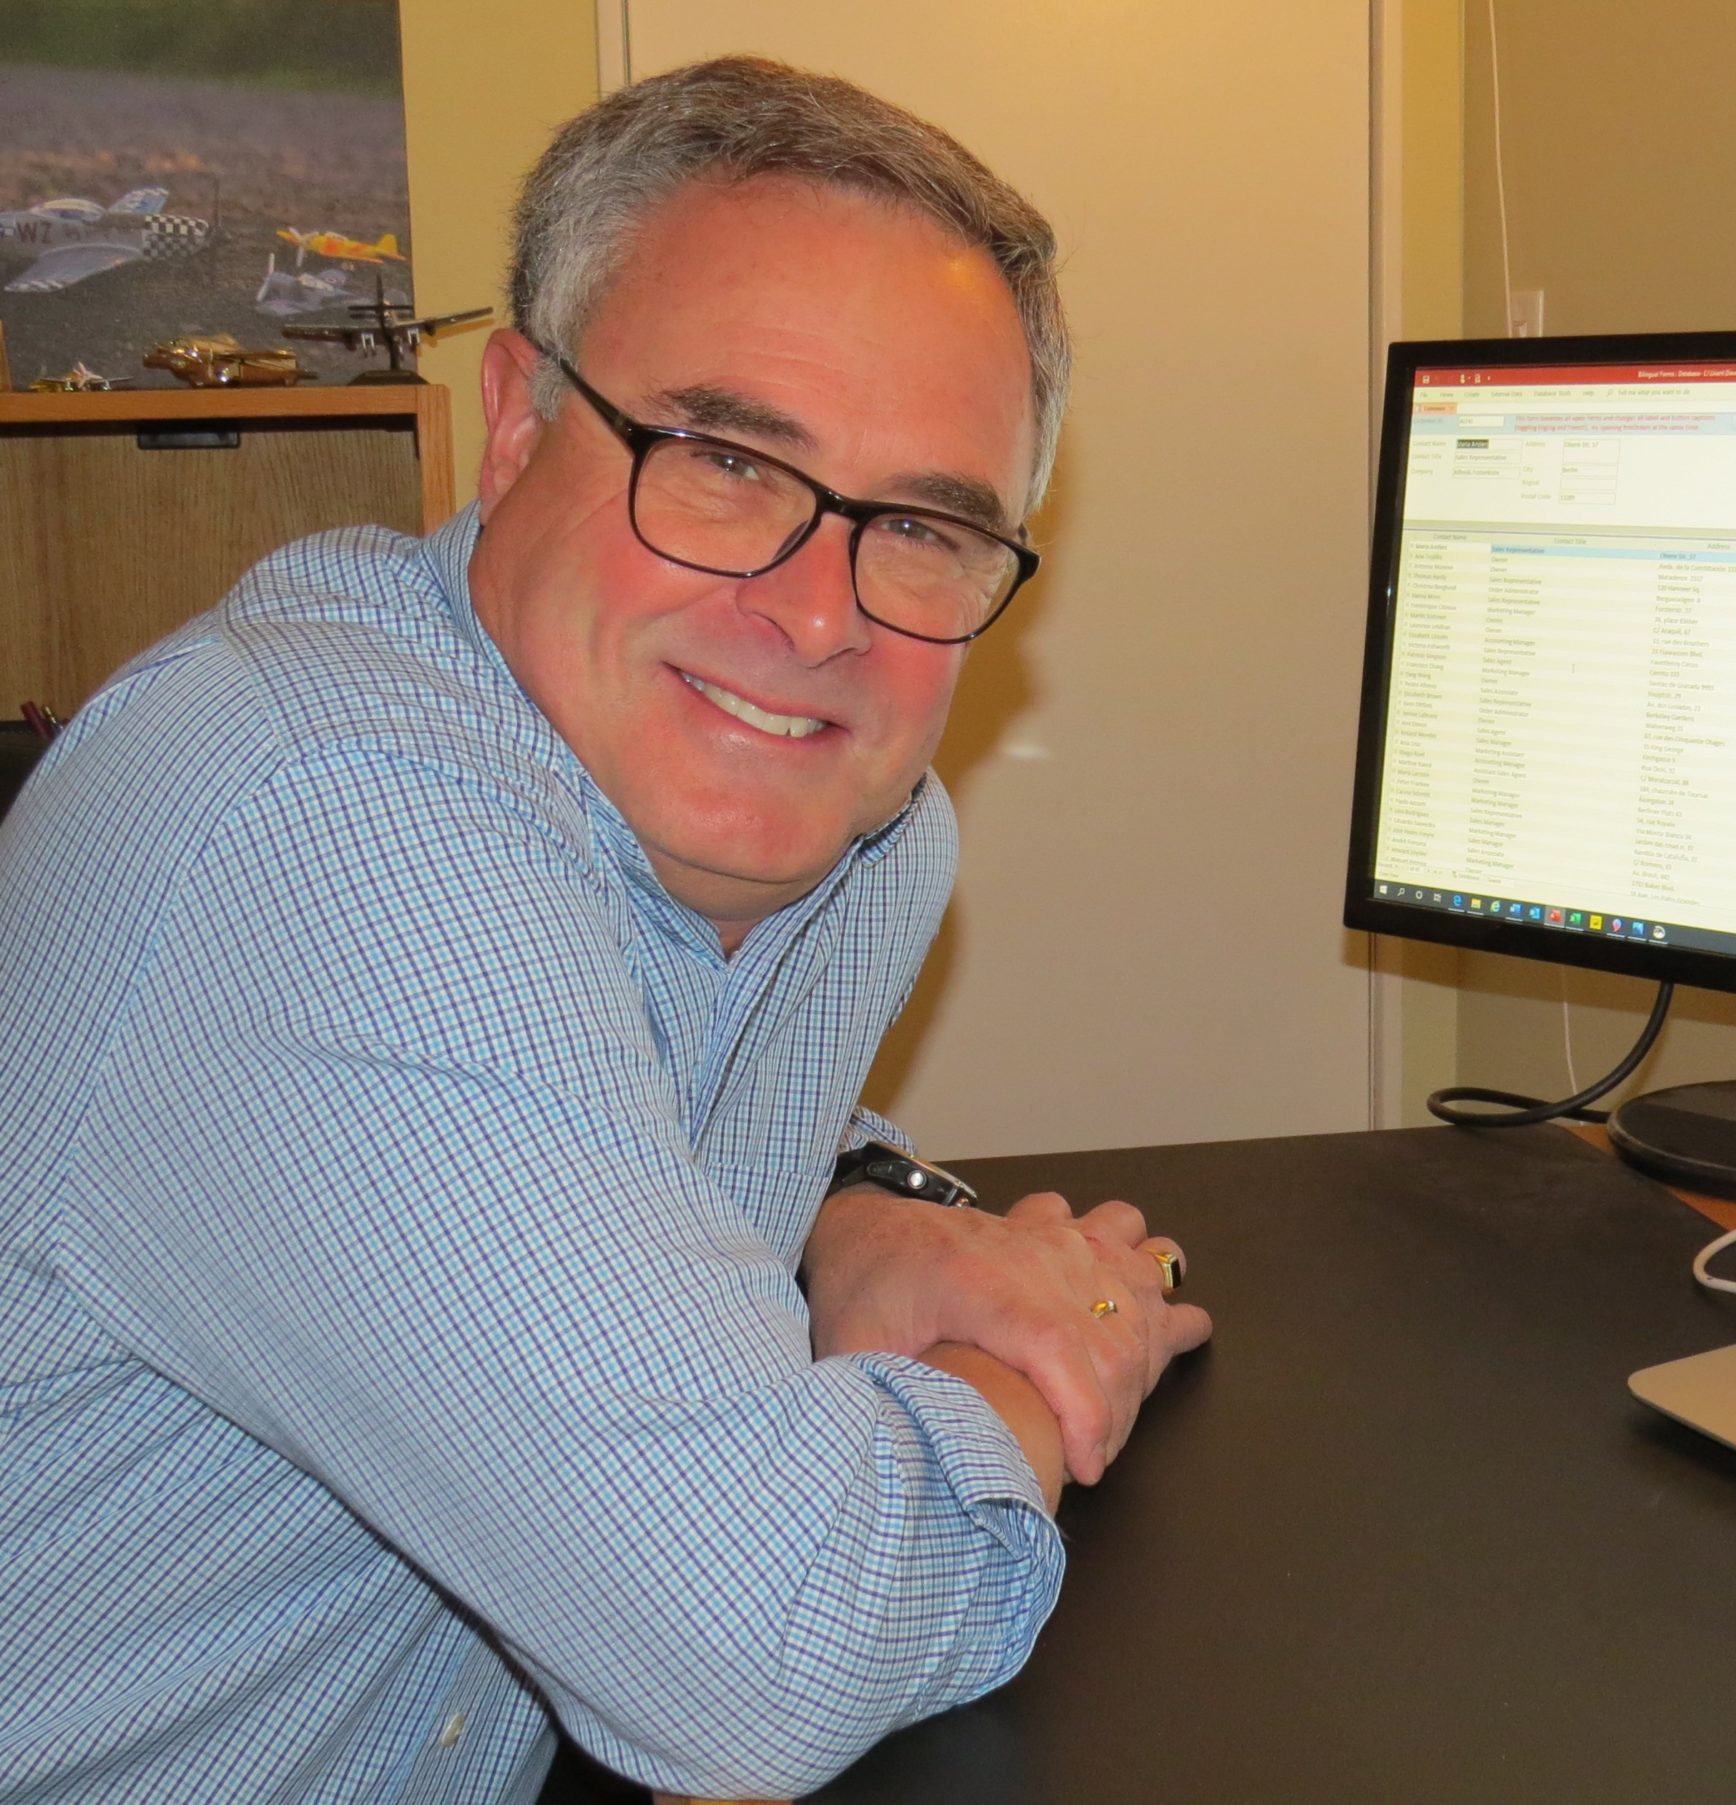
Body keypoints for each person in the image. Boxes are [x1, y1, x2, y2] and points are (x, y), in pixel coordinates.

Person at [0, 56, 1210, 1804]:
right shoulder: (326, 815)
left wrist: (848, 1211)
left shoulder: (861, 840)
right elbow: (758, 1655)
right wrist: (1039, 1367)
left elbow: (565, 1108)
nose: (819, 615)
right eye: (726, 460)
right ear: (514, 423)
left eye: (924, 525)